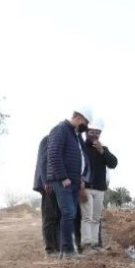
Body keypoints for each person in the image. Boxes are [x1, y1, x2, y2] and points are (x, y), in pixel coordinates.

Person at [45, 106, 95, 258]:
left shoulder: (75, 134)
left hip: (74, 181)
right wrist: (63, 177)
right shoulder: (60, 130)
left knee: (69, 215)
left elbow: (80, 158)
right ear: (78, 118)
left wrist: (80, 179)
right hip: (63, 181)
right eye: (84, 123)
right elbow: (54, 154)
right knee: (68, 213)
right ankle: (67, 251)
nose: (84, 127)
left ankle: (65, 250)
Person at [80, 119, 118, 249]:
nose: (94, 134)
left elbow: (113, 163)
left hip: (100, 189)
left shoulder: (104, 149)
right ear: (86, 132)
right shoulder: (81, 148)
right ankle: (86, 242)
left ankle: (95, 243)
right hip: (86, 187)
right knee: (87, 217)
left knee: (96, 218)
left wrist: (102, 151)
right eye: (92, 132)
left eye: (97, 132)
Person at [33, 134, 59, 256]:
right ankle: (50, 249)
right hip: (48, 183)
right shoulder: (48, 140)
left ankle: (57, 247)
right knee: (49, 216)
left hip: (58, 183)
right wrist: (46, 181)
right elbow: (43, 161)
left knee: (58, 216)